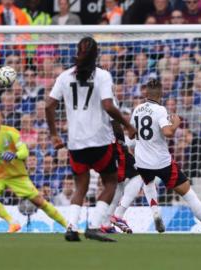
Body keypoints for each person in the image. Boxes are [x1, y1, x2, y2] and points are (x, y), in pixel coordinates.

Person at [46, 37, 136, 242]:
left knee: (81, 187)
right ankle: (94, 226)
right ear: (96, 54)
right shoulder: (102, 76)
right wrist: (128, 125)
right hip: (100, 141)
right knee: (111, 182)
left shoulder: (65, 76)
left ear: (77, 52)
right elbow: (109, 106)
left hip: (76, 143)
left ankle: (71, 226)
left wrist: (53, 134)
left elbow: (48, 105)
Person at [131, 79, 201, 235]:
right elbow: (168, 133)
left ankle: (155, 212)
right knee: (187, 191)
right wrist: (176, 123)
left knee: (148, 183)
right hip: (161, 161)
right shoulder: (160, 110)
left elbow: (130, 132)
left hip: (142, 160)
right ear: (161, 94)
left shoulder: (137, 109)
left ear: (145, 93)